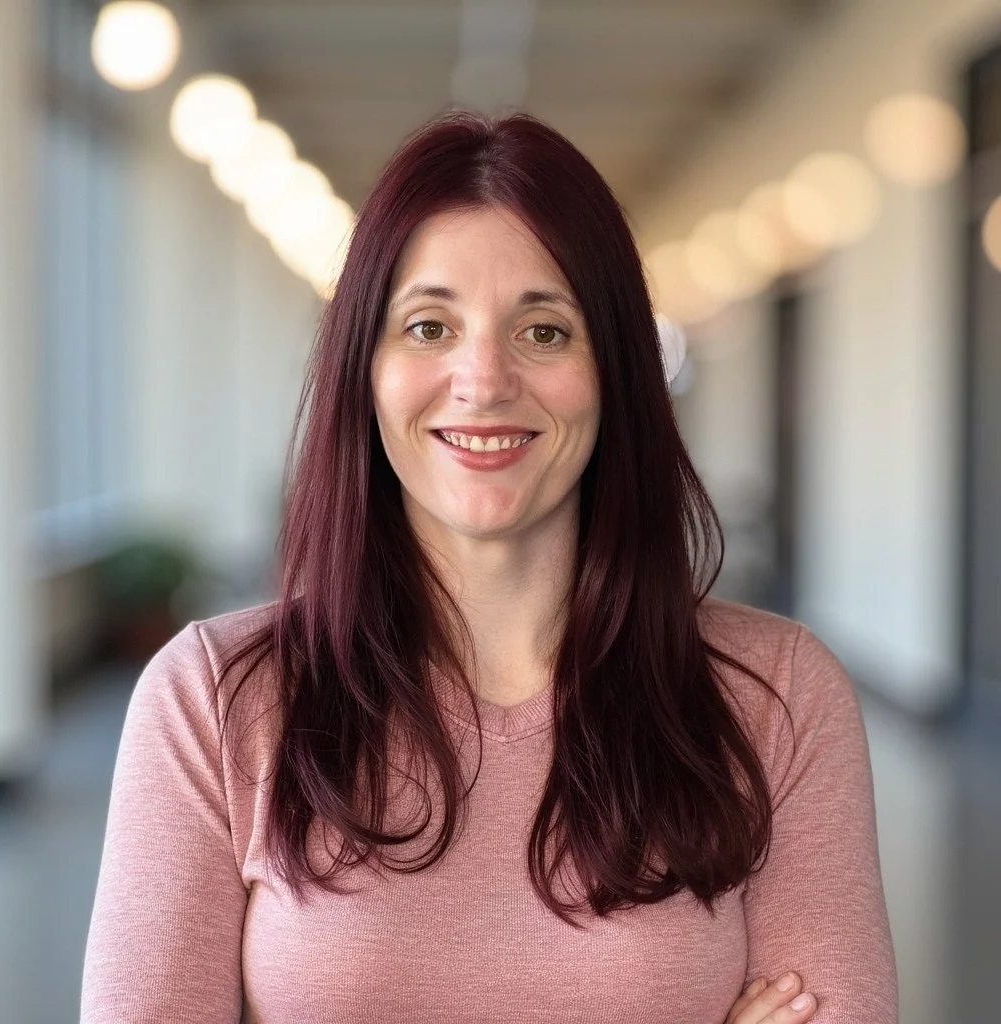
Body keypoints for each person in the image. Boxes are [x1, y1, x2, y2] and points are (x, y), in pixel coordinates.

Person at [80, 111, 898, 1024]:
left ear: (615, 372)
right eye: (429, 326)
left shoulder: (778, 696)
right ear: (367, 371)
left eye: (544, 332)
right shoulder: (215, 702)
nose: (484, 378)